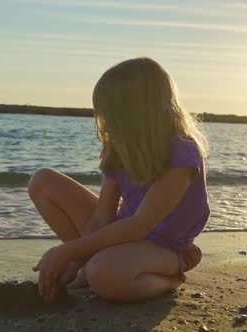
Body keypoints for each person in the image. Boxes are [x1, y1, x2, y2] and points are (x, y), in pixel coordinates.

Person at [28, 57, 209, 303]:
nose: (105, 122)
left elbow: (140, 224)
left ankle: (171, 276)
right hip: (121, 234)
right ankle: (91, 266)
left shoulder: (182, 151)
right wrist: (76, 259)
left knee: (104, 276)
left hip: (165, 246)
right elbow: (103, 217)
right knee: (42, 181)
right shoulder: (119, 146)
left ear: (136, 110)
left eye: (110, 112)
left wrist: (65, 252)